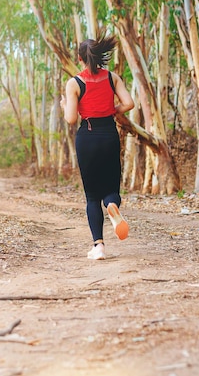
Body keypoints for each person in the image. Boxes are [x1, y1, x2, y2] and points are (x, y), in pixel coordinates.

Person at [60, 31, 135, 260]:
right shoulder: (112, 78)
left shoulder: (74, 83)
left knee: (92, 196)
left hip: (88, 137)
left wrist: (65, 106)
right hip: (109, 135)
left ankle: (99, 247)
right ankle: (112, 205)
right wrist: (113, 110)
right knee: (110, 188)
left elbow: (72, 119)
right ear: (99, 56)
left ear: (81, 59)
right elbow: (129, 103)